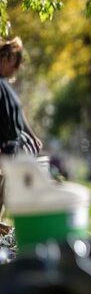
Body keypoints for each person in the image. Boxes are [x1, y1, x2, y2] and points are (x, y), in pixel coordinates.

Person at [0, 37, 42, 232]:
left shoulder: (6, 86)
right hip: (3, 150)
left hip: (11, 150)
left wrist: (32, 136)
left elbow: (18, 112)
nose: (15, 69)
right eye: (14, 62)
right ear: (5, 58)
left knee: (6, 197)